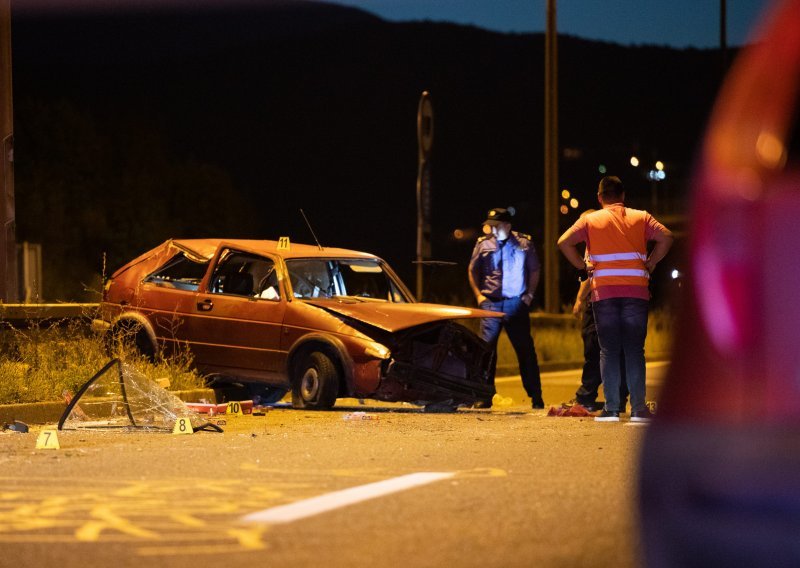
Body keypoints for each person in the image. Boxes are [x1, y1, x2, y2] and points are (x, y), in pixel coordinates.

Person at [558, 176, 672, 422]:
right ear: (623, 196)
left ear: (599, 198)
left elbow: (563, 242)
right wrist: (650, 263)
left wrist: (582, 268)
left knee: (608, 351)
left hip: (604, 294)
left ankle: (611, 409)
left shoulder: (589, 220)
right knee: (634, 351)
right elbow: (667, 237)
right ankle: (639, 409)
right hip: (636, 293)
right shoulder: (641, 217)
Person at [468, 206, 544, 409]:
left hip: (515, 304)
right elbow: (472, 270)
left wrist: (528, 296)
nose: (491, 230)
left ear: (507, 225)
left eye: (496, 225)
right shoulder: (483, 244)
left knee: (525, 351)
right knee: (486, 352)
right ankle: (484, 396)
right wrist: (478, 296)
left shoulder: (523, 243)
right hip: (490, 304)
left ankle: (536, 396)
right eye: (489, 226)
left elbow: (535, 269)